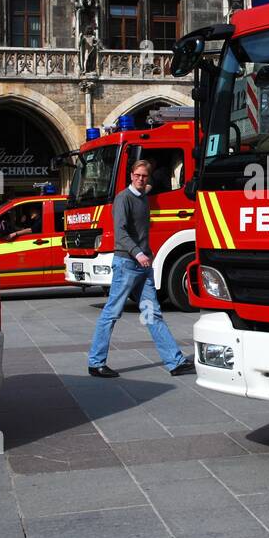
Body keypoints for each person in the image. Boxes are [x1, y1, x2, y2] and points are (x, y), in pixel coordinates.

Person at [88, 160, 194, 378]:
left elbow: (148, 188)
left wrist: (147, 256)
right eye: (137, 175)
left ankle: (175, 362)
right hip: (127, 265)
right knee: (111, 313)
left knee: (152, 314)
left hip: (143, 268)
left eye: (144, 176)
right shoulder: (123, 199)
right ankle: (95, 362)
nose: (140, 179)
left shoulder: (143, 196)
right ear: (131, 175)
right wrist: (138, 253)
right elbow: (121, 232)